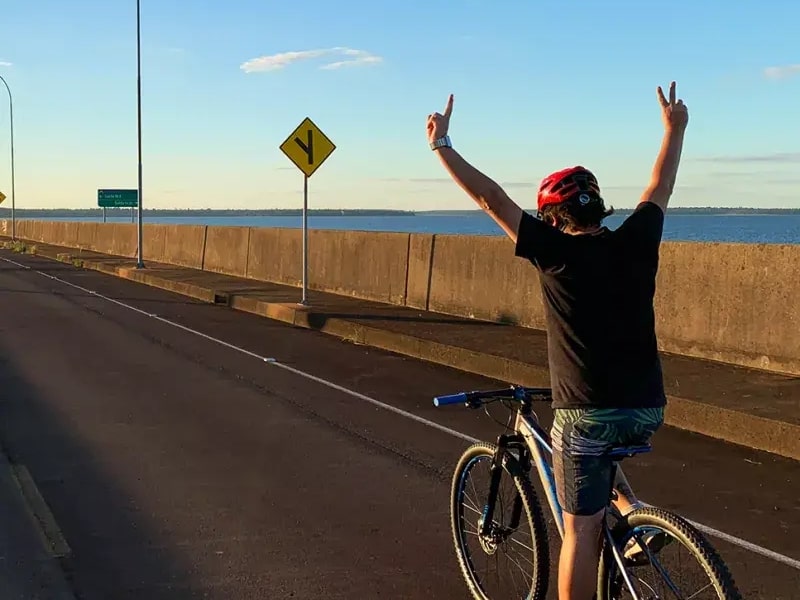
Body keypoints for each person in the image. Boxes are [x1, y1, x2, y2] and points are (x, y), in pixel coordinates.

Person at [427, 82, 689, 600]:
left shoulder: (553, 252)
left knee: (579, 531)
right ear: (599, 209)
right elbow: (661, 186)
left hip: (585, 410)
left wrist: (441, 145)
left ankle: (618, 526)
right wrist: (674, 129)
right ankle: (633, 518)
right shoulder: (637, 239)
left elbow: (489, 198)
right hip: (646, 405)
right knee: (601, 458)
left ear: (552, 218)